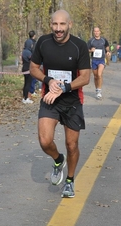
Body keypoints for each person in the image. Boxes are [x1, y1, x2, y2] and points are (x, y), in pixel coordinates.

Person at [29, 10, 91, 198]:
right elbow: (33, 68)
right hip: (50, 98)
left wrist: (64, 88)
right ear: (51, 25)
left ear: (69, 25)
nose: (58, 29)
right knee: (45, 140)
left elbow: (86, 77)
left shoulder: (78, 46)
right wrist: (48, 80)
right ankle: (58, 159)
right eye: (55, 24)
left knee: (71, 144)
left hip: (71, 100)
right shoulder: (43, 42)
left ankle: (70, 181)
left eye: (62, 25)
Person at [87, 27, 111, 99]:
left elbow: (107, 47)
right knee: (95, 76)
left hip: (101, 60)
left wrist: (108, 52)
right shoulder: (91, 41)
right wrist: (91, 50)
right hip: (94, 60)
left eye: (98, 31)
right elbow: (86, 49)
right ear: (94, 32)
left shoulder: (103, 40)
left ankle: (99, 91)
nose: (96, 32)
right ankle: (97, 90)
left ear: (100, 32)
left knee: (99, 74)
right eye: (95, 31)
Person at [21, 39, 34, 104]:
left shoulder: (23, 51)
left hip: (24, 68)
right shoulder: (28, 52)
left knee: (25, 83)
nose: (32, 46)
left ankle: (24, 97)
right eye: (31, 44)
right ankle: (26, 98)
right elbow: (32, 59)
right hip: (28, 68)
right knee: (28, 84)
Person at [28, 30, 38, 97]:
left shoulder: (27, 42)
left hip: (27, 61)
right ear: (34, 36)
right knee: (33, 78)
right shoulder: (34, 43)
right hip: (33, 61)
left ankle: (31, 91)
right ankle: (32, 91)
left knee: (29, 78)